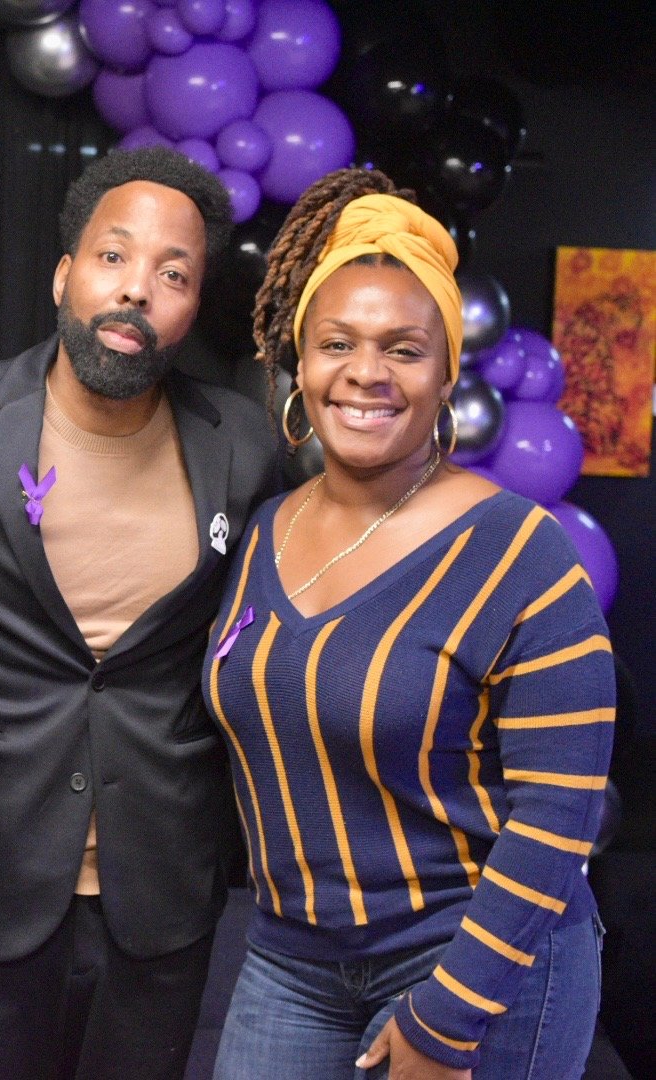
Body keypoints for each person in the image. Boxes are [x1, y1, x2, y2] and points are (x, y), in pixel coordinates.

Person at [0, 146, 281, 1079]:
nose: (138, 289)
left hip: (162, 897)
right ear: (65, 274)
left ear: (193, 303)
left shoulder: (248, 445)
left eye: (173, 274)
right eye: (114, 257)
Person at [204, 168, 615, 1079]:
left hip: (474, 953)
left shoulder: (519, 552)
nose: (365, 374)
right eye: (337, 343)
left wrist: (454, 1010)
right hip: (289, 954)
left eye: (403, 349)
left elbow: (559, 812)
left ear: (446, 375)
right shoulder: (266, 528)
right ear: (299, 367)